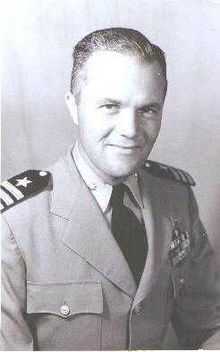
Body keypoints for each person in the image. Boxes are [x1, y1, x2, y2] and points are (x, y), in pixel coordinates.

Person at [1, 27, 220, 350]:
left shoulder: (175, 199)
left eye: (148, 109)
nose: (130, 131)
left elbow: (210, 324)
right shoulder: (14, 223)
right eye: (110, 106)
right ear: (73, 106)